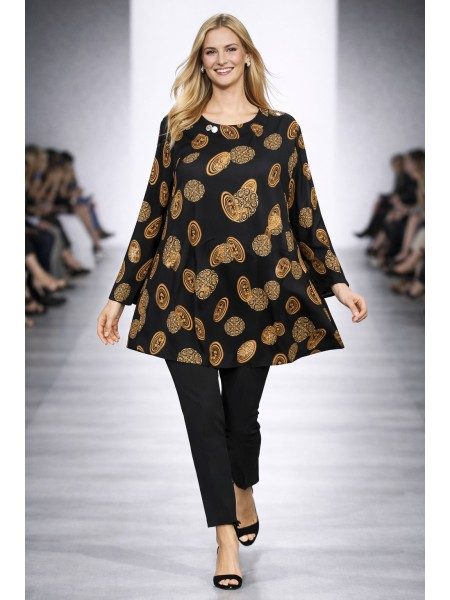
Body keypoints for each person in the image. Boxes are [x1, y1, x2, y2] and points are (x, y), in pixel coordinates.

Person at [97, 13, 367, 591]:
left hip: (257, 299)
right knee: (204, 421)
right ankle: (224, 539)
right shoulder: (178, 129)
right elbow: (153, 213)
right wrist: (120, 296)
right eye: (210, 51)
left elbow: (304, 212)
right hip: (182, 297)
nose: (220, 59)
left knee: (241, 422)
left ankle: (244, 487)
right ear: (200, 61)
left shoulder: (282, 131)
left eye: (230, 49)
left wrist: (337, 284)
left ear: (247, 55)